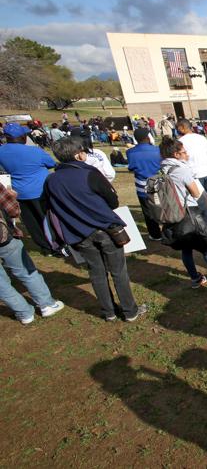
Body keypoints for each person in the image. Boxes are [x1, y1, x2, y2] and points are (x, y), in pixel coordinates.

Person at [44, 138, 146, 322]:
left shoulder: (51, 180)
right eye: (82, 150)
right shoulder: (89, 173)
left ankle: (109, 312)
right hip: (105, 230)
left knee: (96, 272)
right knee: (118, 271)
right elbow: (112, 200)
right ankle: (130, 311)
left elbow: (50, 205)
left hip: (78, 233)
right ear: (77, 154)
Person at [159, 138, 207, 288]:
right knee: (205, 243)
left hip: (174, 214)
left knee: (186, 248)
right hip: (190, 213)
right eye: (184, 152)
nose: (187, 155)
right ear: (176, 154)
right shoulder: (181, 169)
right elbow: (196, 192)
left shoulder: (164, 169)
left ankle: (195, 278)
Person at [0, 182, 64, 325]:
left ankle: (24, 313)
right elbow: (13, 211)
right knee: (25, 270)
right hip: (4, 239)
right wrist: (12, 197)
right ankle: (46, 304)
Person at [0, 123, 57, 253]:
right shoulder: (34, 151)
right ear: (21, 137)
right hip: (40, 190)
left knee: (30, 221)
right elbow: (51, 163)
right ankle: (56, 244)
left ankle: (44, 246)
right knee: (48, 219)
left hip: (18, 192)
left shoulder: (1, 152)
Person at [177, 119, 207, 228]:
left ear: (182, 128)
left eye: (178, 128)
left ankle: (205, 223)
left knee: (199, 200)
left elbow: (181, 157)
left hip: (193, 174)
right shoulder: (202, 138)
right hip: (206, 171)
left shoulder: (181, 141)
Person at [126, 127, 163, 241]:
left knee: (147, 211)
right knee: (162, 208)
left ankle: (155, 234)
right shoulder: (157, 150)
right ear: (148, 137)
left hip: (141, 187)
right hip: (157, 184)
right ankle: (168, 230)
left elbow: (131, 167)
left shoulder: (130, 152)